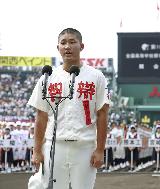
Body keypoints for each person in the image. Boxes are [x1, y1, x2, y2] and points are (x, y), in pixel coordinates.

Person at [27, 28, 109, 189]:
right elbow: (41, 116)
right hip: (54, 146)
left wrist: (100, 150)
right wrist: (37, 150)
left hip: (84, 147)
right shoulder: (48, 77)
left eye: (72, 42)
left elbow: (102, 115)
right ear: (57, 48)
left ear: (81, 46)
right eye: (63, 43)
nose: (67, 47)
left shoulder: (96, 77)